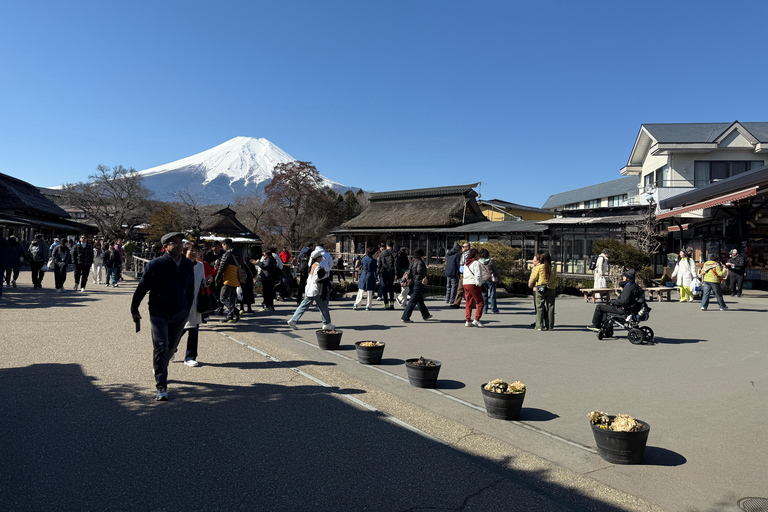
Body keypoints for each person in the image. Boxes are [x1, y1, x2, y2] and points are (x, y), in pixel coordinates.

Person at [131, 232, 195, 401]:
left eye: (181, 242)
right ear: (166, 246)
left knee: (171, 348)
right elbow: (142, 287)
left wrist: (187, 308)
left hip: (180, 313)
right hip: (159, 312)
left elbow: (190, 289)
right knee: (160, 347)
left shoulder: (188, 264)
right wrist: (134, 308)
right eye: (175, 243)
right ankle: (161, 387)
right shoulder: (156, 265)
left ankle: (160, 366)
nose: (180, 245)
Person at [287, 248, 334, 330]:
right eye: (321, 257)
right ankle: (326, 323)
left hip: (309, 289)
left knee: (303, 305)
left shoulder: (312, 265)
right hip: (316, 289)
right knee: (323, 306)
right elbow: (318, 278)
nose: (322, 258)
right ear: (318, 258)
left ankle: (293, 320)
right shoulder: (318, 266)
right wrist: (325, 274)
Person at [177, 242, 207, 367]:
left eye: (196, 250)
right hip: (179, 303)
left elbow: (203, 283)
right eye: (191, 250)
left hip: (195, 304)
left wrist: (208, 282)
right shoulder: (178, 264)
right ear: (184, 251)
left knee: (194, 330)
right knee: (177, 331)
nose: (194, 252)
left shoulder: (200, 266)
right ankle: (170, 350)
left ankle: (190, 357)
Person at [401, 248, 432, 323]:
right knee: (413, 300)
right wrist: (424, 277)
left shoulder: (413, 262)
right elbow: (420, 271)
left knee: (419, 299)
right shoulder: (420, 262)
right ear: (420, 256)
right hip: (418, 282)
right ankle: (405, 317)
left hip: (412, 282)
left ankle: (426, 314)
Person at [528, 252, 556, 330]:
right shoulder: (553, 268)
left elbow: (534, 278)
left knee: (539, 307)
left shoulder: (539, 267)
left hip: (540, 288)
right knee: (551, 307)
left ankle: (539, 325)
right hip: (551, 288)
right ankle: (550, 326)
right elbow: (554, 279)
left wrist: (530, 285)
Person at [216, 238, 242, 322]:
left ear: (226, 245)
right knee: (231, 299)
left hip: (228, 279)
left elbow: (222, 268)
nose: (222, 247)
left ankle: (235, 312)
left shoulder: (227, 254)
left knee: (223, 298)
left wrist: (217, 278)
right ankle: (230, 317)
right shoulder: (239, 254)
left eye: (223, 245)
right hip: (236, 279)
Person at [462, 248, 485, 327]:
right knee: (480, 302)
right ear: (475, 254)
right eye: (478, 254)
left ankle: (468, 320)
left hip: (466, 283)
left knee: (468, 302)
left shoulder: (466, 263)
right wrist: (479, 284)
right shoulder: (476, 263)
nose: (479, 255)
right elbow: (478, 275)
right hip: (473, 284)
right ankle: (477, 319)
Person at [353, 246, 377, 310]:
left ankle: (357, 304)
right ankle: (368, 305)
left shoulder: (363, 259)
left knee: (361, 290)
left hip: (364, 274)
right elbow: (375, 269)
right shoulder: (374, 260)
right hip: (370, 274)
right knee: (370, 291)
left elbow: (361, 265)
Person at [377, 240, 397, 310]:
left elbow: (379, 263)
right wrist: (396, 273)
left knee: (384, 288)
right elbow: (396, 264)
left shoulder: (382, 253)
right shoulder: (395, 253)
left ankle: (386, 304)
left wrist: (378, 272)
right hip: (391, 272)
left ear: (387, 245)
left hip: (384, 272)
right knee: (391, 288)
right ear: (392, 245)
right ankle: (392, 303)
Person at [238, 247, 258, 314]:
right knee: (249, 296)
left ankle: (241, 308)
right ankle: (249, 308)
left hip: (242, 282)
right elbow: (255, 272)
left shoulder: (241, 265)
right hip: (249, 281)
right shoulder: (251, 265)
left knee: (241, 295)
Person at [452, 242, 471, 308]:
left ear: (467, 247)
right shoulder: (463, 254)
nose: (462, 248)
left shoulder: (469, 255)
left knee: (468, 289)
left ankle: (472, 303)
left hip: (467, 273)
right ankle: (456, 303)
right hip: (462, 273)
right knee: (460, 288)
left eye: (463, 246)